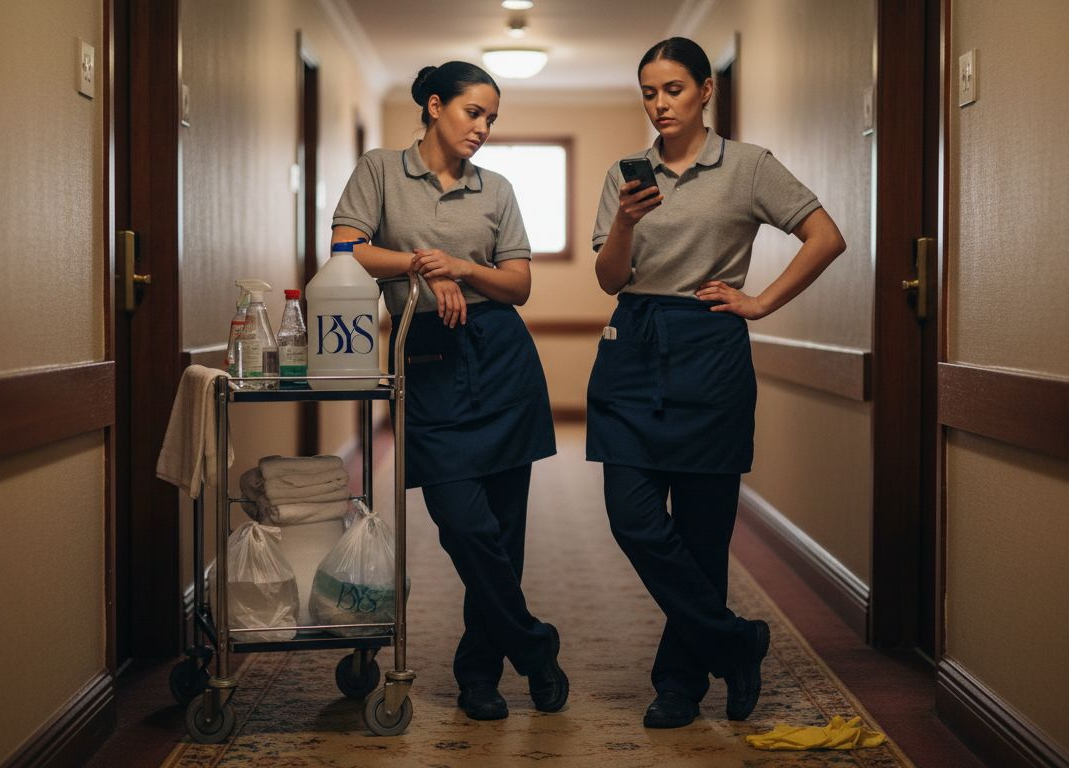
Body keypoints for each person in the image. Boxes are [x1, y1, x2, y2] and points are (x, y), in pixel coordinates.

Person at [588, 37, 847, 729]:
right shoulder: (626, 174)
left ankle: (679, 682)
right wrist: (622, 220)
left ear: (706, 90)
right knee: (633, 517)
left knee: (703, 534)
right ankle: (736, 640)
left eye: (673, 89)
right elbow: (610, 278)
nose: (659, 103)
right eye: (648, 91)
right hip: (633, 344)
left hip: (710, 347)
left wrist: (760, 302)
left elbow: (826, 237)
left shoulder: (749, 167)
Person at [330, 61, 567, 722]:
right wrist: (419, 264)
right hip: (428, 359)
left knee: (504, 534)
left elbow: (518, 285)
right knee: (464, 526)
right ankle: (536, 646)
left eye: (492, 117)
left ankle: (479, 675)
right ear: (435, 106)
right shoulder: (380, 170)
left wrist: (461, 266)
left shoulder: (497, 190)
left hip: (502, 360)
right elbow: (347, 249)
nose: (484, 128)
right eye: (474, 112)